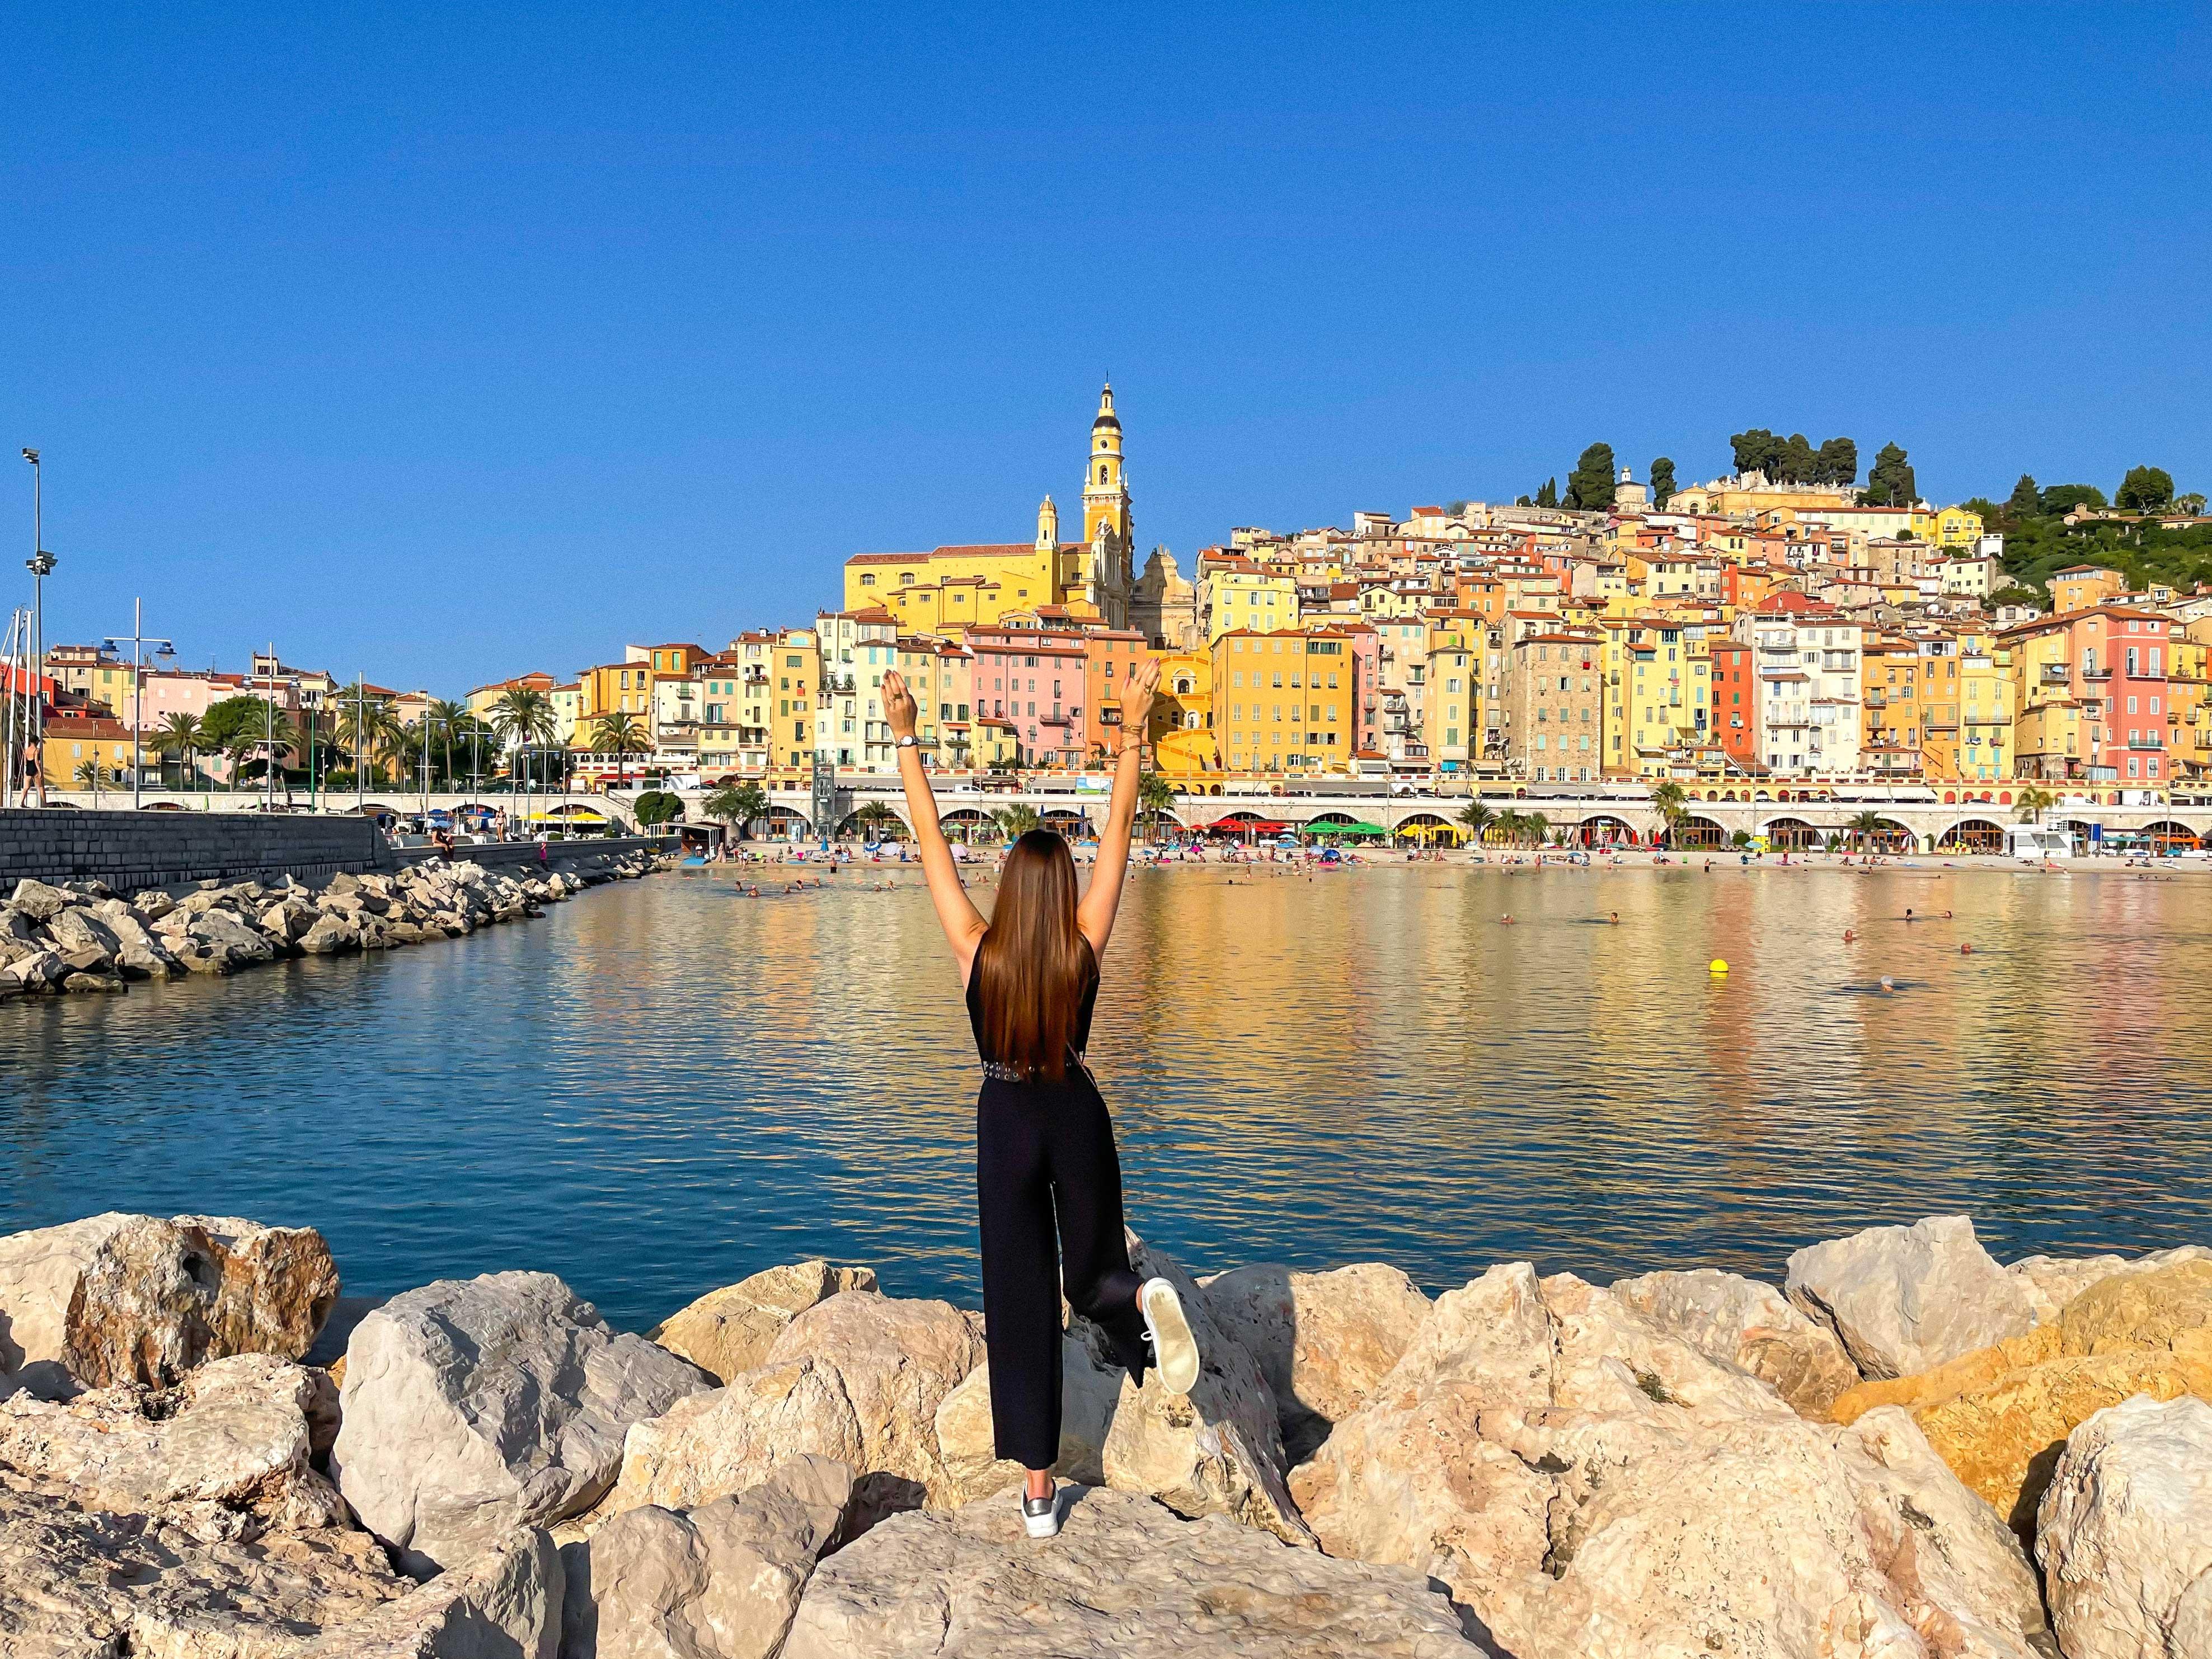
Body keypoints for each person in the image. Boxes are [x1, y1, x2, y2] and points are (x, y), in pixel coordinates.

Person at [882, 657, 1200, 1543]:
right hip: (1075, 1104)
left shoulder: (976, 948)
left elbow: (930, 841)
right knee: (1092, 1268)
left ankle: (1036, 1495)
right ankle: (1137, 1302)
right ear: (1061, 895)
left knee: (1019, 1298)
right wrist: (1130, 735)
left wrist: (907, 738)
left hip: (1005, 1117)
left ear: (1008, 895)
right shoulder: (1084, 946)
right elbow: (1121, 828)